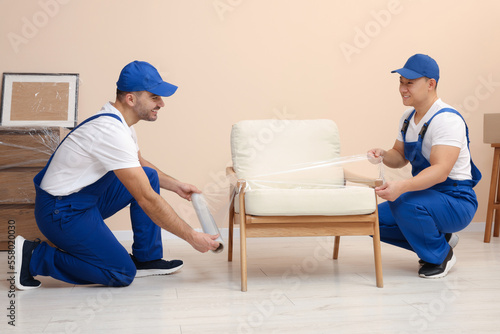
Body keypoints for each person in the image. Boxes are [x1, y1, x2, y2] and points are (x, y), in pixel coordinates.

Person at [15, 60, 220, 290]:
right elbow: (147, 198)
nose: (161, 103)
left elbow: (140, 165)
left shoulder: (122, 125)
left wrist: (177, 186)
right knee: (121, 272)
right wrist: (192, 237)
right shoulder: (110, 132)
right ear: (131, 98)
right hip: (60, 212)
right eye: (154, 97)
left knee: (148, 175)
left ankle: (147, 258)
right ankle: (34, 257)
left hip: (80, 201)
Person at [368, 54, 481, 279]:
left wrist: (402, 187)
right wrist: (382, 155)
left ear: (431, 84)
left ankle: (440, 256)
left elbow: (440, 171)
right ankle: (441, 239)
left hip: (456, 199)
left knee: (405, 203)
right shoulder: (408, 118)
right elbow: (399, 156)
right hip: (425, 196)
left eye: (409, 83)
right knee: (371, 220)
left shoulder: (446, 120)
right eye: (401, 82)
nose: (402, 89)